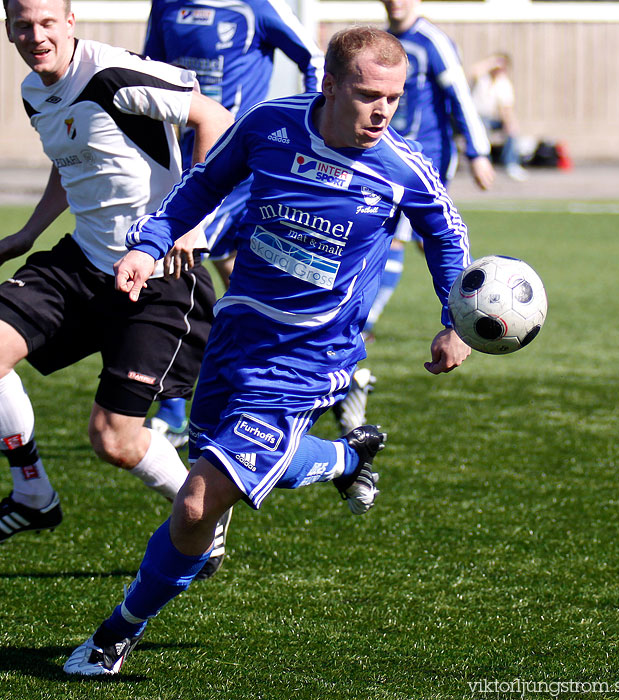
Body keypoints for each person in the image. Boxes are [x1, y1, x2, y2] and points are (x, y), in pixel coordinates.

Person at [63, 25, 472, 676]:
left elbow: (447, 236)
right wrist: (147, 244)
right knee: (207, 497)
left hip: (311, 359)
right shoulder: (270, 124)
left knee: (197, 499)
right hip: (235, 336)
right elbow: (202, 184)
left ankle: (114, 635)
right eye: (369, 95)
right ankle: (345, 456)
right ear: (330, 85)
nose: (383, 113)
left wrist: (457, 320)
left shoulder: (401, 167)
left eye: (393, 99)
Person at [0, 0, 233, 555]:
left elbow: (215, 118)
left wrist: (189, 224)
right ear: (8, 28)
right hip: (81, 263)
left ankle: (205, 518)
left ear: (69, 22)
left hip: (155, 275)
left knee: (113, 440)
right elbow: (72, 161)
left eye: (47, 23)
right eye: (22, 25)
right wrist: (29, 233)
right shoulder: (36, 93)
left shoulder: (110, 74)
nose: (36, 36)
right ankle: (32, 492)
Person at [142, 0, 325, 446]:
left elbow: (314, 58)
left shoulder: (256, 9)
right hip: (179, 161)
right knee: (241, 278)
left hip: (232, 162)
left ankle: (173, 407)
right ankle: (316, 374)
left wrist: (311, 117)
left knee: (176, 256)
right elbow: (149, 68)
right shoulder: (167, 4)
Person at [362, 0, 494, 343]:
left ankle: (365, 324)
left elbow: (460, 95)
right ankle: (485, 300)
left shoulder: (432, 41)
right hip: (385, 156)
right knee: (423, 241)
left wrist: (478, 151)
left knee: (396, 239)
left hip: (425, 159)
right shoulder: (384, 41)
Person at [470, 52, 528, 181]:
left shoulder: (503, 83)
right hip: (475, 117)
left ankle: (511, 164)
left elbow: (506, 108)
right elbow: (474, 71)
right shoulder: (482, 77)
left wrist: (510, 124)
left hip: (492, 118)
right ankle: (484, 161)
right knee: (482, 126)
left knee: (512, 129)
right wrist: (492, 62)